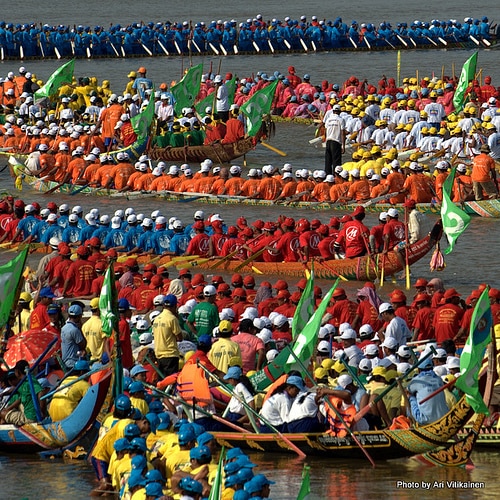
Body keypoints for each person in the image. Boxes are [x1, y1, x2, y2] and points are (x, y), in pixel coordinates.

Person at [406, 356, 449, 424]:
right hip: (443, 416)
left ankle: (410, 422)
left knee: (409, 395)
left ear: (419, 370)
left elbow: (408, 391)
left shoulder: (416, 380)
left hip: (424, 419)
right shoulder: (439, 379)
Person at [152, 294, 182, 377]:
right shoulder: (172, 319)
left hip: (158, 354)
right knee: (171, 383)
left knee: (162, 383)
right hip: (170, 354)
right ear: (175, 306)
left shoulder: (156, 319)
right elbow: (180, 338)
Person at [322, 104, 346, 176]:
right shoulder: (341, 120)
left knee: (328, 162)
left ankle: (327, 176)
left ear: (333, 111)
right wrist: (343, 146)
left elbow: (325, 132)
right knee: (336, 162)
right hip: (336, 142)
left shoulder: (328, 119)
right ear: (339, 112)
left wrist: (325, 141)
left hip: (328, 141)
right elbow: (343, 133)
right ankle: (336, 177)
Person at [61, 304, 87, 369]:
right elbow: (83, 345)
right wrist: (80, 329)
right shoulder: (74, 330)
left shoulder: (64, 328)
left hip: (65, 361)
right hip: (73, 363)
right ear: (79, 316)